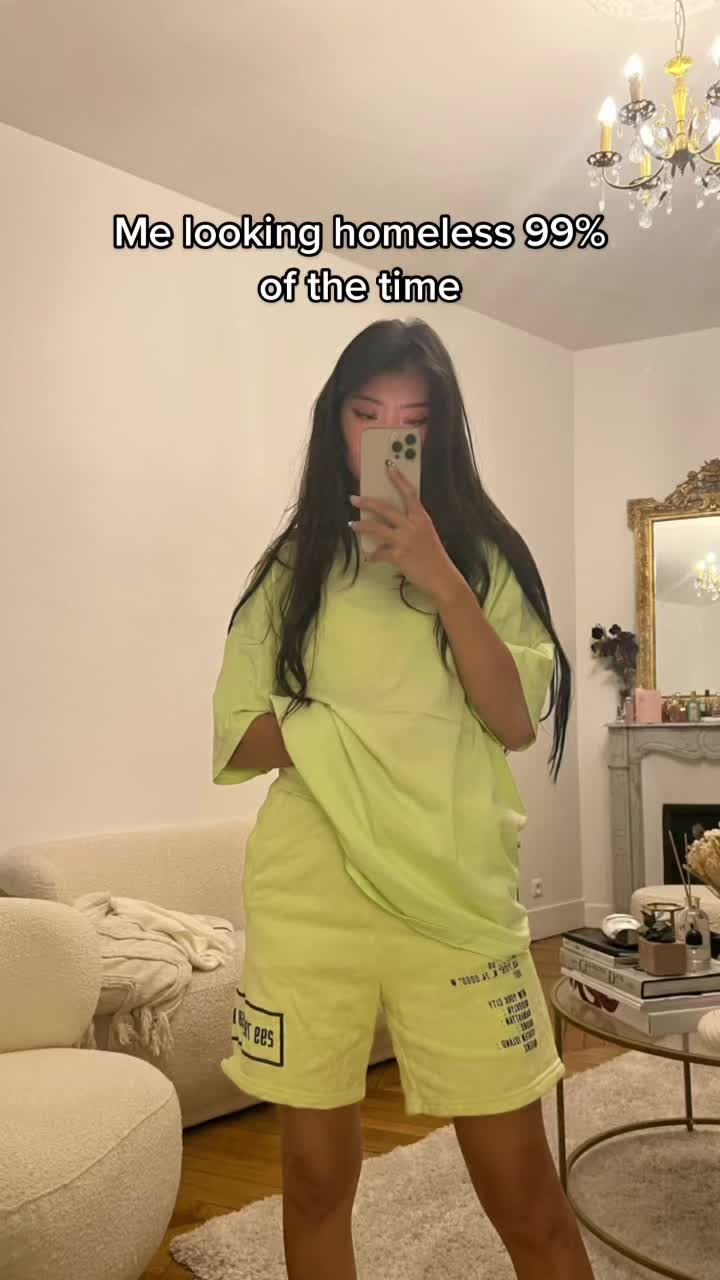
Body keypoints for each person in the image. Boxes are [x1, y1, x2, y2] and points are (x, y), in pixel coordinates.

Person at [211, 318, 594, 1280]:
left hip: (456, 901)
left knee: (526, 1196)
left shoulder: (488, 561)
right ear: (334, 424)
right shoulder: (290, 572)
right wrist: (361, 733)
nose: (389, 435)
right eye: (367, 412)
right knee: (312, 1182)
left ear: (441, 431)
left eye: (412, 420)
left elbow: (514, 721)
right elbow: (239, 735)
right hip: (311, 897)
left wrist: (443, 583)